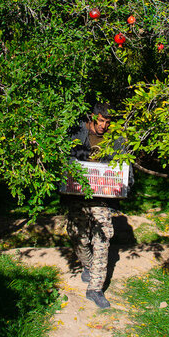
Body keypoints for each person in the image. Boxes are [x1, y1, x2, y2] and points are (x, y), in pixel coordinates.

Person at [63, 102, 127, 309]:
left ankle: (95, 289)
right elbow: (63, 160)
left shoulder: (117, 139)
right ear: (92, 117)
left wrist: (124, 186)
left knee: (102, 238)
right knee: (77, 235)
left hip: (102, 197)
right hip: (77, 195)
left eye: (108, 122)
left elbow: (125, 166)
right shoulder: (75, 132)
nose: (104, 126)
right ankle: (88, 266)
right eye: (101, 121)